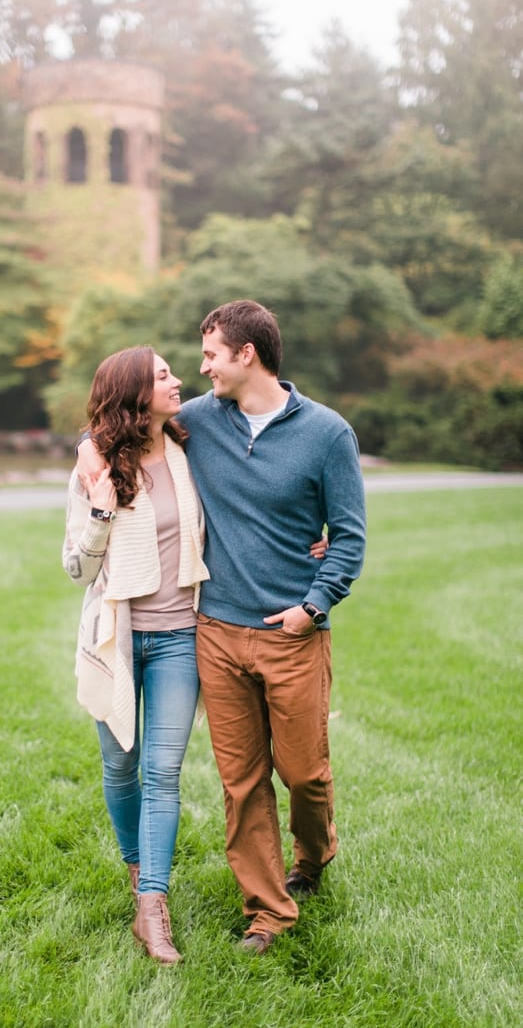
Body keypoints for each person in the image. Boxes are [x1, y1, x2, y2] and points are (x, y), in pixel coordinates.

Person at [77, 301, 366, 955]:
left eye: (209, 355)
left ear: (246, 355)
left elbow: (348, 537)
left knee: (304, 774)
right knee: (240, 782)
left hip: (293, 632)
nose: (198, 368)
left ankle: (314, 852)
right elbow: (112, 424)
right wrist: (87, 457)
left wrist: (313, 602)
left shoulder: (326, 433)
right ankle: (267, 912)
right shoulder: (197, 421)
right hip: (212, 631)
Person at [62, 345, 210, 965]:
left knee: (162, 773)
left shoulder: (188, 447)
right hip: (116, 639)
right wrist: (100, 504)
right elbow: (77, 567)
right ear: (133, 395)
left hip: (180, 636)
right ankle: (135, 867)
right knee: (120, 769)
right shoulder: (96, 463)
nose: (179, 381)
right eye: (164, 375)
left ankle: (152, 906)